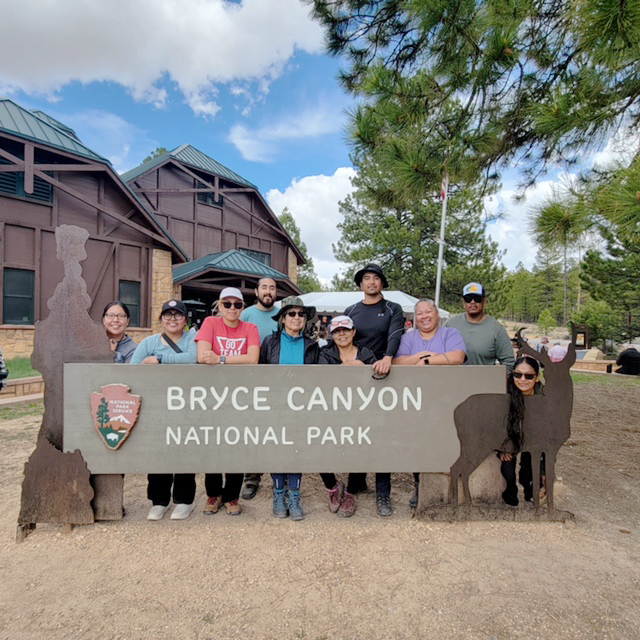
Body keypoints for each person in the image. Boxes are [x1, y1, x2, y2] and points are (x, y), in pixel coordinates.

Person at [393, 299, 467, 506]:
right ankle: (421, 486)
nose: (424, 316)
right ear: (415, 318)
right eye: (419, 313)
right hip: (416, 401)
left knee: (447, 442)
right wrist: (421, 354)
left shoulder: (450, 334)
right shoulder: (408, 338)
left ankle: (449, 488)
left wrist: (425, 361)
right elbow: (397, 361)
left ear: (437, 314)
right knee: (419, 444)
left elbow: (457, 356)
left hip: (446, 399)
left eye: (428, 312)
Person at [344, 263, 404, 516]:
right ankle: (355, 483)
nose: (371, 282)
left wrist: (388, 357)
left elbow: (395, 334)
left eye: (376, 278)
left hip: (383, 376)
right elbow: (344, 339)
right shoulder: (351, 310)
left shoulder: (393, 309)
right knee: (357, 431)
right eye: (366, 278)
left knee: (382, 435)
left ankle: (383, 493)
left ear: (381, 283)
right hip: (357, 377)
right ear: (361, 284)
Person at [130, 299, 198, 521]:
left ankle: (184, 499)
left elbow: (192, 359)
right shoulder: (149, 342)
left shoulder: (191, 339)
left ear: (185, 320)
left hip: (185, 405)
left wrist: (160, 359)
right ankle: (159, 500)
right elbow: (135, 368)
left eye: (178, 315)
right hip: (156, 406)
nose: (172, 319)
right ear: (161, 319)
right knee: (158, 451)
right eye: (167, 315)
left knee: (184, 450)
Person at [196, 287, 260, 516]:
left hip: (240, 396)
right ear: (220, 305)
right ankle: (213, 494)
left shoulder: (250, 327)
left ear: (243, 307)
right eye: (227, 304)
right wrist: (232, 360)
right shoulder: (210, 323)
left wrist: (220, 358)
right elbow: (202, 356)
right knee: (212, 444)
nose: (232, 308)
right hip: (212, 395)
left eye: (238, 304)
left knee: (237, 444)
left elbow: (253, 359)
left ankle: (232, 495)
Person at [260, 296, 319, 520]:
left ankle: (294, 496)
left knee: (296, 449)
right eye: (291, 314)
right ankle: (278, 494)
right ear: (283, 318)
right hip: (275, 405)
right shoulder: (270, 342)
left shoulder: (312, 345)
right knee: (277, 448)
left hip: (301, 407)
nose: (296, 318)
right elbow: (262, 372)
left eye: (301, 314)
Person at [318, 315, 377, 516]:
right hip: (331, 409)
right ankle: (333, 487)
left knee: (360, 446)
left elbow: (378, 381)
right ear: (331, 335)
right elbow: (321, 381)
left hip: (360, 409)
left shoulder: (368, 354)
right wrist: (346, 369)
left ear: (353, 332)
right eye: (336, 331)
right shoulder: (325, 354)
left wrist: (364, 369)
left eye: (345, 330)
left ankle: (351, 491)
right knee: (319, 444)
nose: (341, 334)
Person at [239, 277, 280, 500]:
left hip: (277, 380)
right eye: (264, 287)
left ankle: (278, 476)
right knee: (254, 429)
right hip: (252, 379)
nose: (268, 291)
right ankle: (252, 477)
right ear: (256, 291)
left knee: (276, 429)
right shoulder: (246, 314)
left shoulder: (284, 313)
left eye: (272, 288)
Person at [498, 356, 546, 506]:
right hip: (510, 435)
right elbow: (498, 424)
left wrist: (545, 470)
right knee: (508, 470)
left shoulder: (544, 399)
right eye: (517, 375)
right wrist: (502, 447)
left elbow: (549, 435)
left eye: (529, 376)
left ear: (537, 378)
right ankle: (510, 498)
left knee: (530, 466)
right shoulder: (505, 394)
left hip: (534, 438)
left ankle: (531, 493)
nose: (522, 379)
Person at [444, 282, 515, 370]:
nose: (473, 302)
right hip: (451, 381)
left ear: (484, 302)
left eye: (477, 299)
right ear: (463, 303)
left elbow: (509, 363)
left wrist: (496, 381)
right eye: (468, 299)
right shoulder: (450, 324)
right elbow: (435, 351)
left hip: (483, 382)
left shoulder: (497, 329)